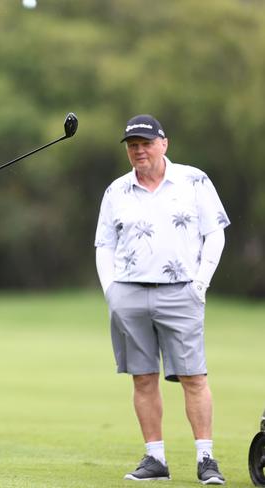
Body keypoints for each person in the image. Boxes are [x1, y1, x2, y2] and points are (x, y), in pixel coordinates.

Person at [94, 114, 230, 485]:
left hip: (181, 290)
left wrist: (200, 283)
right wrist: (112, 292)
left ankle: (206, 459)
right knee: (142, 378)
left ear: (163, 144)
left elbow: (214, 234)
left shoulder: (193, 180)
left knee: (194, 377)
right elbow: (104, 245)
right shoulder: (116, 191)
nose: (139, 150)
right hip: (129, 293)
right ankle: (155, 459)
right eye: (132, 145)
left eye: (146, 143)